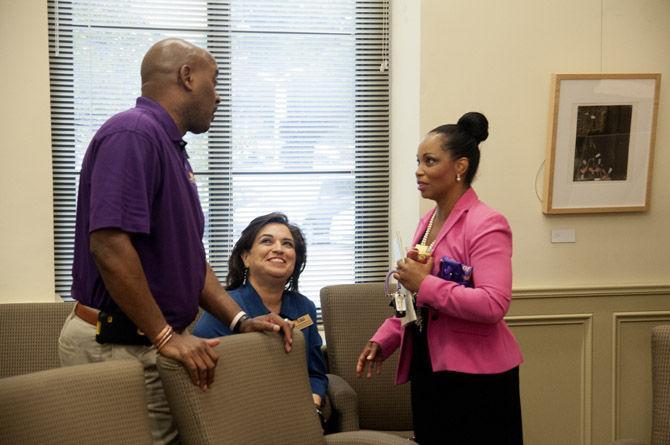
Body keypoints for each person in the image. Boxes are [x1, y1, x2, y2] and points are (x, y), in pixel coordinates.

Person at [58, 38, 292, 445]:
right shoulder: (132, 134)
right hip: (120, 346)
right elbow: (109, 245)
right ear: (187, 76)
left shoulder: (170, 148)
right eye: (214, 82)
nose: (219, 97)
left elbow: (187, 259)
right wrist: (166, 336)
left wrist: (240, 320)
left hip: (147, 344)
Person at [356, 112, 524, 444]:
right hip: (429, 367)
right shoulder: (428, 221)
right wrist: (386, 337)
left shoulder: (487, 223)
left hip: (477, 377)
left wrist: (425, 283)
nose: (419, 170)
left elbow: (493, 304)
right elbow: (415, 297)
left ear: (460, 167)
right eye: (418, 161)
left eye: (430, 161)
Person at [193, 212, 329, 425]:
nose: (279, 249)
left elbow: (315, 374)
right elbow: (205, 378)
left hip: (298, 416)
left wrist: (312, 408)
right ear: (245, 258)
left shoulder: (305, 308)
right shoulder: (225, 308)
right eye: (267, 241)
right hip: (241, 416)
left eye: (287, 244)